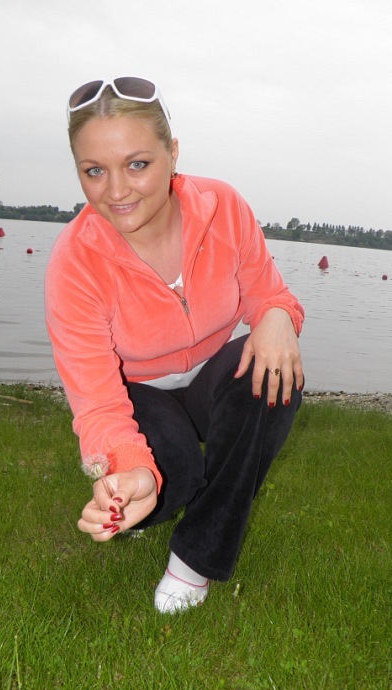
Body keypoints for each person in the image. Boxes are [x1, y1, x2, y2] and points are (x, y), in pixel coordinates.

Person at [45, 76, 305, 614]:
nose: (116, 191)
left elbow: (267, 293)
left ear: (173, 153)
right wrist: (131, 466)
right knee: (172, 476)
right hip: (138, 392)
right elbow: (96, 401)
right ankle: (159, 497)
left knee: (270, 379)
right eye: (94, 171)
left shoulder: (223, 206)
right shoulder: (74, 261)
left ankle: (196, 557)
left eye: (137, 164)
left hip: (211, 375)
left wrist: (278, 315)